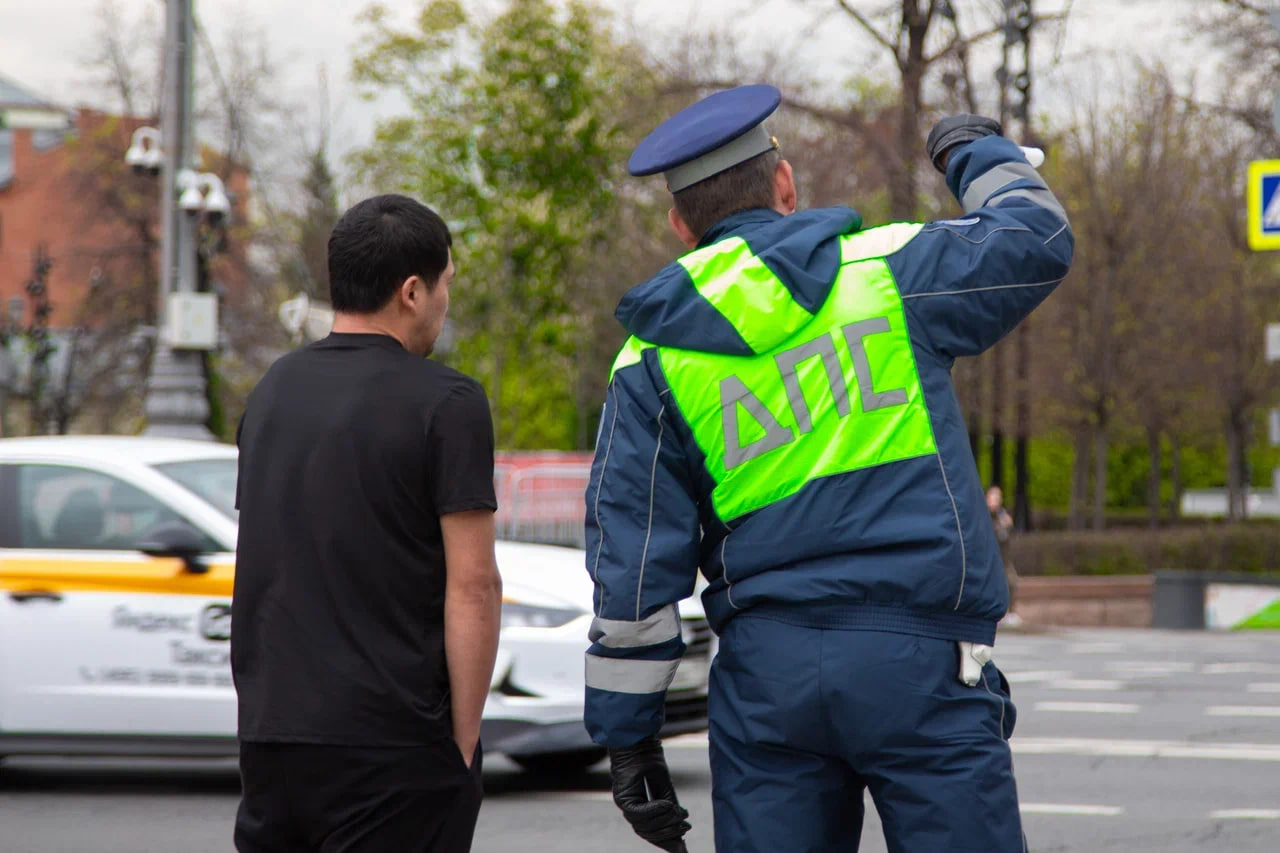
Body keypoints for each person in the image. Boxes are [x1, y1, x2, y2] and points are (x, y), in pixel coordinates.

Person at [582, 84, 1073, 853]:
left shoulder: (649, 360)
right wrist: (969, 145)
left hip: (767, 685)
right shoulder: (888, 272)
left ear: (681, 227)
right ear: (785, 185)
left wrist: (629, 738)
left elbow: (635, 570)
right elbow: (1035, 237)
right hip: (923, 665)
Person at [231, 193, 503, 853]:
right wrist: (462, 745)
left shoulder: (272, 391)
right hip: (392, 744)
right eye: (445, 285)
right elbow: (474, 586)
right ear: (412, 290)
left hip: (273, 739)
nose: (444, 303)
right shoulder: (447, 402)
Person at [987, 484, 1022, 626]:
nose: (996, 499)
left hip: (1004, 559)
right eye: (993, 496)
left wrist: (1008, 525)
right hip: (990, 559)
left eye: (998, 497)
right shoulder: (984, 515)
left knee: (1011, 581)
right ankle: (994, 614)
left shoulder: (1002, 515)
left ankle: (1011, 614)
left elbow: (1006, 537)